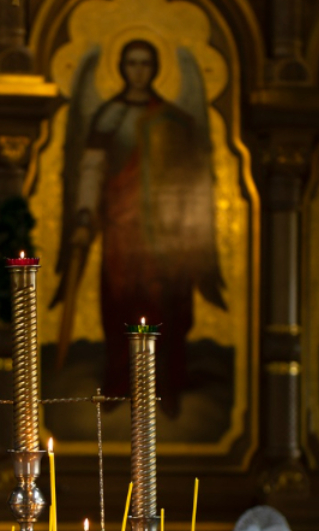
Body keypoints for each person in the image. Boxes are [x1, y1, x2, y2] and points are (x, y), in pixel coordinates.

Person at [53, 39, 224, 409]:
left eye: (145, 63)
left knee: (166, 301)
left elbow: (186, 175)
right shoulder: (109, 115)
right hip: (121, 225)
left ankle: (166, 382)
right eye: (132, 63)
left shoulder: (172, 118)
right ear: (122, 67)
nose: (139, 71)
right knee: (121, 301)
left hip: (165, 231)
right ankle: (120, 380)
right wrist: (84, 214)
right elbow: (92, 168)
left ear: (156, 68)